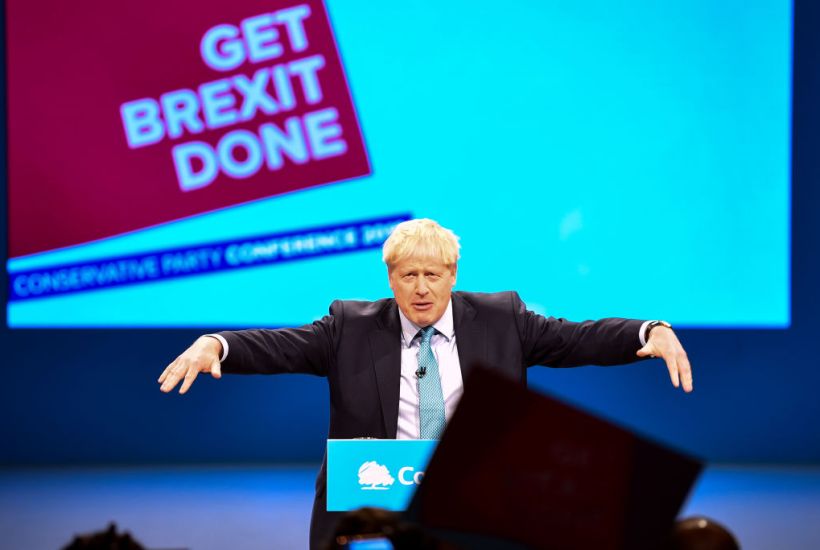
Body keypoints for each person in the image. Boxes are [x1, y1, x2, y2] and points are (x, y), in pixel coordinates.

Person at [158, 218, 693, 549]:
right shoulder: (350, 326)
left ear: (453, 276)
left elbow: (578, 338)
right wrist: (216, 344)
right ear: (390, 279)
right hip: (374, 503)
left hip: (475, 497)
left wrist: (648, 331)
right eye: (408, 275)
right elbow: (279, 346)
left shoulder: (502, 318)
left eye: (432, 275)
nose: (420, 289)